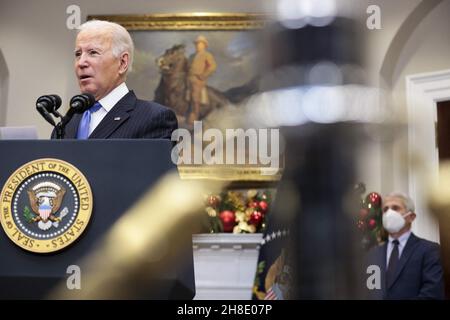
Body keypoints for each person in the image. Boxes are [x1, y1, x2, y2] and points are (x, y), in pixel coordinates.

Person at [54, 20, 177, 139]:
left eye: (93, 53)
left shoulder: (154, 118)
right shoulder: (66, 124)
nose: (81, 63)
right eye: (78, 54)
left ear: (123, 62)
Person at [366, 192, 445, 299]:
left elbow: (432, 294)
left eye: (395, 208)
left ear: (411, 217)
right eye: (385, 209)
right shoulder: (373, 254)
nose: (389, 213)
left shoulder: (429, 250)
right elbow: (370, 291)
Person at [187, 35, 217, 124]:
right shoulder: (191, 56)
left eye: (199, 44)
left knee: (195, 96)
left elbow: (212, 66)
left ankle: (195, 115)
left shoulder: (207, 55)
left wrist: (203, 75)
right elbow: (187, 67)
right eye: (196, 44)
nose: (197, 45)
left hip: (198, 79)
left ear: (204, 45)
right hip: (188, 78)